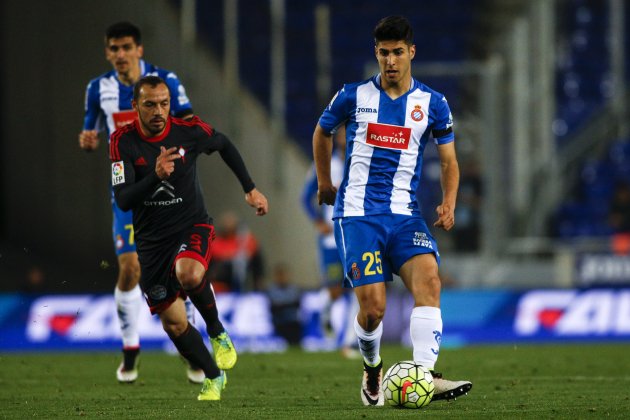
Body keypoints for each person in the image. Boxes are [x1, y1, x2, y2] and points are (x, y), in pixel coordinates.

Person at [312, 16, 472, 406]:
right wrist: (325, 183)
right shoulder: (353, 96)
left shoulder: (432, 103)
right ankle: (371, 369)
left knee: (430, 281)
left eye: (398, 52)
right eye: (384, 53)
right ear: (376, 54)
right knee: (373, 309)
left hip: (404, 216)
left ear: (411, 52)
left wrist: (449, 202)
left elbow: (449, 161)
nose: (391, 61)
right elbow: (322, 132)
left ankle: (425, 376)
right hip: (357, 215)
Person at [110, 75, 268, 400]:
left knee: (189, 272)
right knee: (175, 324)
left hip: (191, 226)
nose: (158, 111)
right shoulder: (122, 141)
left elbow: (223, 143)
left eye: (164, 104)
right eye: (150, 104)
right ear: (134, 106)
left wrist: (249, 188)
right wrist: (155, 175)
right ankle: (213, 376)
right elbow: (124, 199)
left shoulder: (188, 131)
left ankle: (217, 330)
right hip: (152, 243)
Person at [78, 21, 202, 383]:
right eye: (113, 48)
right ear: (107, 52)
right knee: (130, 268)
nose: (120, 55)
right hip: (130, 193)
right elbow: (92, 129)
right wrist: (88, 140)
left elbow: (190, 122)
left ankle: (191, 348)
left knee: (183, 270)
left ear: (139, 50)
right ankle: (130, 350)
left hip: (171, 191)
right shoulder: (97, 89)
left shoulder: (166, 82)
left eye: (126, 47)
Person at [301, 127, 359, 358]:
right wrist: (317, 221)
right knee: (335, 290)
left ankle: (349, 343)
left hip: (356, 236)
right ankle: (325, 311)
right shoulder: (324, 164)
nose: (347, 137)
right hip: (331, 239)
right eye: (343, 133)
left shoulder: (362, 162)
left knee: (358, 288)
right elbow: (304, 197)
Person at [206, 211, 265, 292]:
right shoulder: (215, 242)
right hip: (219, 286)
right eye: (225, 222)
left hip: (243, 284)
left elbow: (257, 262)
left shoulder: (246, 240)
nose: (227, 225)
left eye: (230, 222)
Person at [267, 263, 302, 345]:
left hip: (293, 322)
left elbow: (297, 304)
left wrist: (282, 305)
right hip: (280, 322)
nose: (282, 278)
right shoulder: (272, 290)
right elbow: (274, 307)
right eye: (279, 275)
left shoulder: (293, 289)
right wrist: (287, 305)